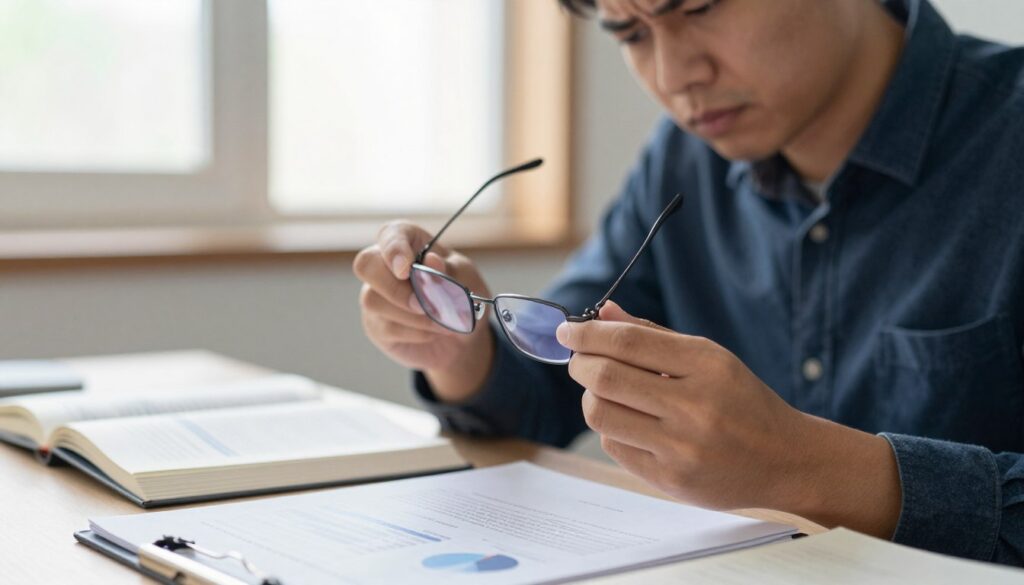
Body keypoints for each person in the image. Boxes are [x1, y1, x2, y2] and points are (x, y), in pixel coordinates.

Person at [354, 0, 1024, 566]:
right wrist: (463, 356)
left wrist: (811, 466)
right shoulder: (686, 159)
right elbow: (547, 393)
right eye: (632, 33)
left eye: (699, 7)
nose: (675, 77)